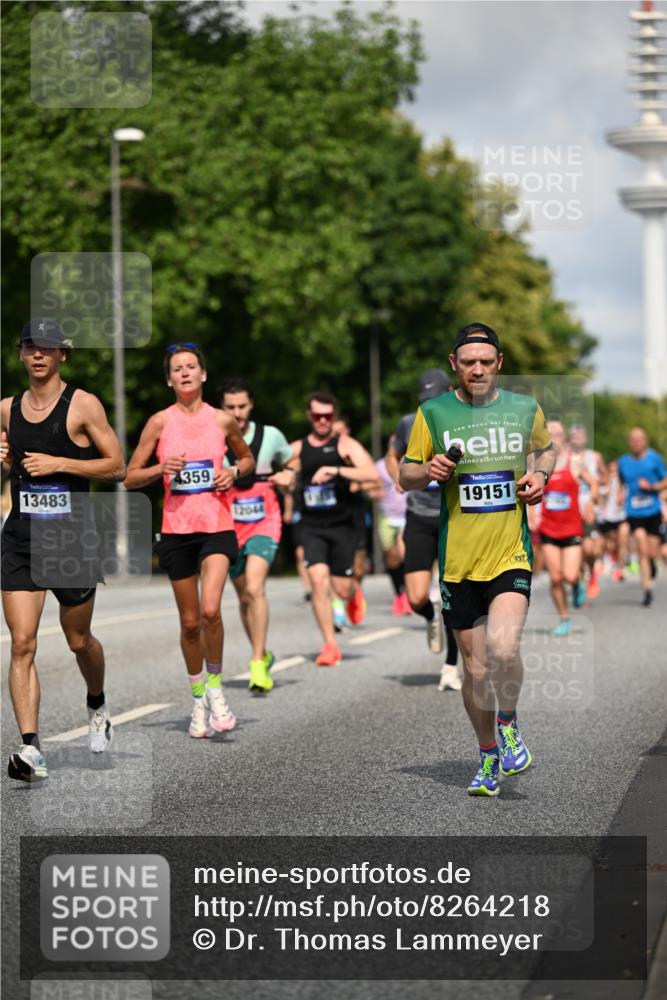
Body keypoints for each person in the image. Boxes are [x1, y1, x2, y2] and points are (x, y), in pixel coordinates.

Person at [400, 323, 555, 797]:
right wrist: (428, 470)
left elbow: (545, 451)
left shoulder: (525, 408)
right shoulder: (433, 412)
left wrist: (540, 478)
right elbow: (405, 475)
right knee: (477, 669)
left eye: (486, 361)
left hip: (509, 552)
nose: (478, 369)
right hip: (458, 562)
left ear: (499, 363)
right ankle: (488, 754)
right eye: (468, 361)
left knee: (504, 650)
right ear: (455, 365)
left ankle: (508, 723)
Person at [1, 318, 126, 782]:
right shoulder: (5, 409)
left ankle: (96, 702)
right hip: (21, 541)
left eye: (47, 348)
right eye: (30, 347)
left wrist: (61, 462)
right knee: (21, 644)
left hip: (72, 540)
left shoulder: (83, 405)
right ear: (20, 354)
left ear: (62, 356)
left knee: (79, 640)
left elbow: (117, 466)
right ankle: (31, 748)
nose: (38, 354)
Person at [124, 343, 254, 737]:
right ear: (169, 379)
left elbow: (247, 460)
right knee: (190, 622)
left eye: (191, 366)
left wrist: (233, 471)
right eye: (177, 368)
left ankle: (216, 689)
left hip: (216, 525)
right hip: (177, 530)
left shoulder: (222, 421)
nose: (184, 372)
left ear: (203, 375)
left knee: (212, 609)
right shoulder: (159, 423)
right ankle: (197, 698)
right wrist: (161, 468)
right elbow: (129, 476)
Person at [291, 392, 380, 666]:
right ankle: (330, 644)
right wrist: (283, 476)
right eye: (317, 415)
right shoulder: (297, 448)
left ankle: (353, 594)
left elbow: (372, 474)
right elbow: (276, 467)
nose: (322, 420)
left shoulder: (345, 445)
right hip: (312, 526)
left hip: (342, 527)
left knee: (342, 589)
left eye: (327, 416)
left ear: (333, 416)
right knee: (318, 581)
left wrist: (338, 471)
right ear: (309, 416)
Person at [219, 377, 297, 692]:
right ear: (221, 407)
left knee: (255, 587)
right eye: (230, 407)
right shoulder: (213, 436)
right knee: (243, 596)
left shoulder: (270, 436)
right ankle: (262, 653)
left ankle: (255, 662)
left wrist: (287, 476)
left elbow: (292, 463)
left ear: (251, 405)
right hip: (226, 522)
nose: (237, 413)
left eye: (242, 406)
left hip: (265, 520)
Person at [386, 369, 461, 692]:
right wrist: (398, 479)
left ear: (448, 392)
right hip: (419, 516)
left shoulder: (463, 422)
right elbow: (392, 454)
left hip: (455, 517)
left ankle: (450, 666)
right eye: (423, 401)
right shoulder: (409, 422)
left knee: (454, 600)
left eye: (434, 400)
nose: (428, 406)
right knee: (416, 596)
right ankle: (430, 618)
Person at [540, 420, 597, 636]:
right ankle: (564, 618)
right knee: (555, 578)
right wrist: (532, 513)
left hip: (572, 529)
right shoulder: (537, 463)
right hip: (548, 529)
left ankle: (577, 584)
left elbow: (593, 484)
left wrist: (591, 502)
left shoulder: (574, 463)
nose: (553, 437)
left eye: (557, 433)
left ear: (564, 438)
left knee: (570, 576)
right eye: (549, 433)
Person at [618, 427, 667, 606]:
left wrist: (652, 487)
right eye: (633, 439)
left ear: (645, 441)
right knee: (641, 545)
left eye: (639, 439)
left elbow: (665, 480)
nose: (636, 442)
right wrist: (621, 494)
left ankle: (652, 565)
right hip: (634, 512)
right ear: (629, 442)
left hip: (652, 511)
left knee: (652, 552)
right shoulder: (623, 462)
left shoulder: (654, 458)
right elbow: (622, 483)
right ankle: (647, 591)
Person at [568, 425, 605, 602]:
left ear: (586, 438)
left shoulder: (594, 456)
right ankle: (578, 580)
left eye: (580, 435)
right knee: (578, 547)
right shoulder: (564, 456)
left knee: (589, 549)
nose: (577, 439)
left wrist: (592, 502)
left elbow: (601, 479)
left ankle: (590, 574)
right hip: (570, 509)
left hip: (589, 507)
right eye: (574, 435)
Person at [375, 438, 409, 616]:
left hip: (407, 515)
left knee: (404, 553)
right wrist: (373, 491)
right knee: (392, 558)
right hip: (387, 517)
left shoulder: (410, 462)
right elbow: (371, 485)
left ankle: (410, 593)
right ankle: (399, 594)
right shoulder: (380, 466)